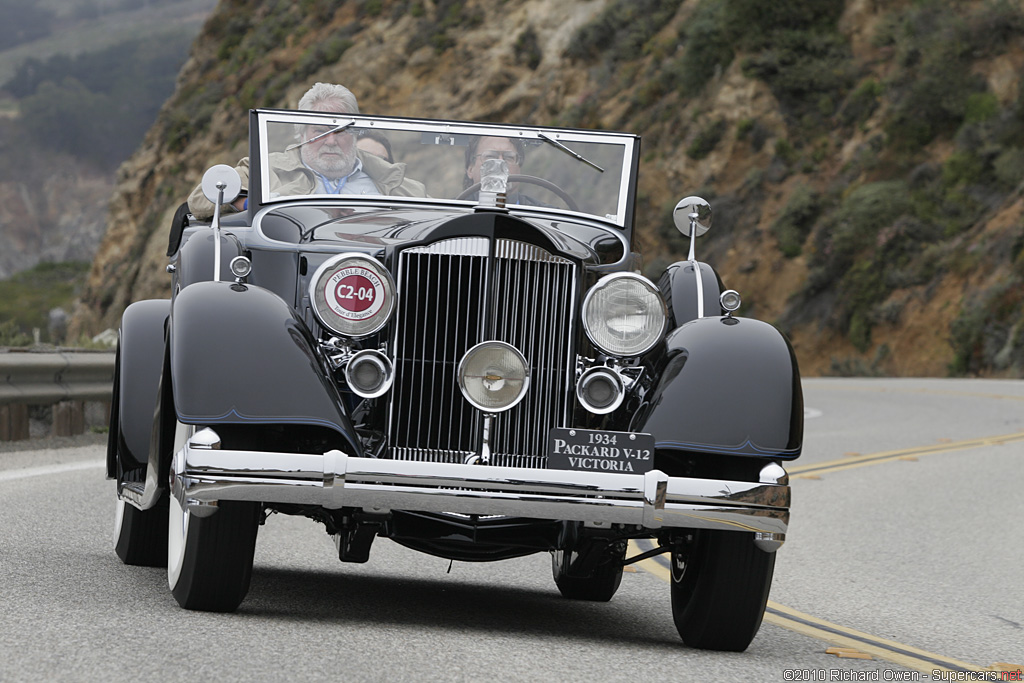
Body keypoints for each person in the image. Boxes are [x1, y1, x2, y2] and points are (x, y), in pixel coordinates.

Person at [187, 83, 423, 219]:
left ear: (355, 134)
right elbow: (200, 199)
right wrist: (248, 203)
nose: (330, 141)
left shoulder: (394, 181)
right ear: (301, 134)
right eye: (319, 132)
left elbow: (439, 220)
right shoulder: (265, 170)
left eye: (340, 131)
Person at [462, 135, 546, 206]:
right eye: (490, 156)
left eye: (509, 157)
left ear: (519, 168)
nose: (500, 163)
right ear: (470, 169)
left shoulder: (545, 215)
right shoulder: (452, 211)